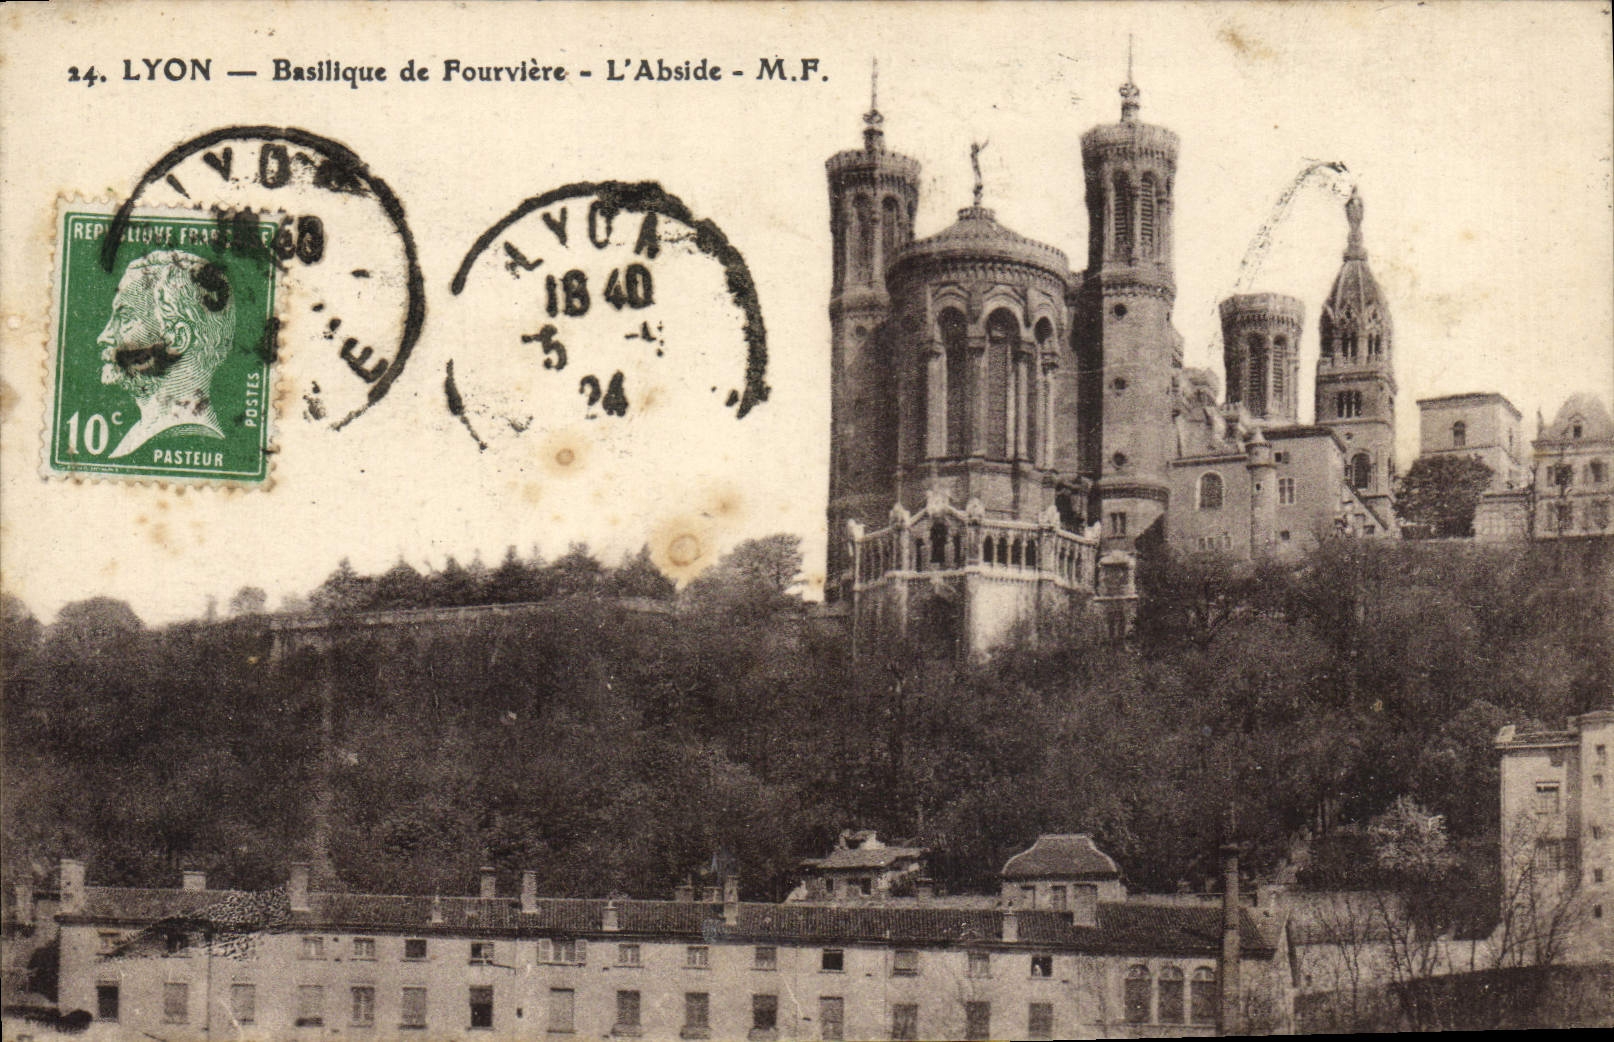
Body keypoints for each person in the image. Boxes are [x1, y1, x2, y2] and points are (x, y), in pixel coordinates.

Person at [98, 249, 235, 458]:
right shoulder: (142, 433)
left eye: (125, 318)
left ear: (177, 339)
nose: (104, 336)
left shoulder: (184, 438)